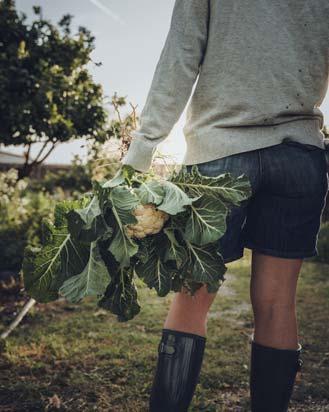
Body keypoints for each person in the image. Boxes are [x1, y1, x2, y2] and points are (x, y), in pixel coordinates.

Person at [121, 1, 329, 411]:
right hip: (299, 155)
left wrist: (139, 153)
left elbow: (180, 56)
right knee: (277, 303)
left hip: (218, 155)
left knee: (192, 295)